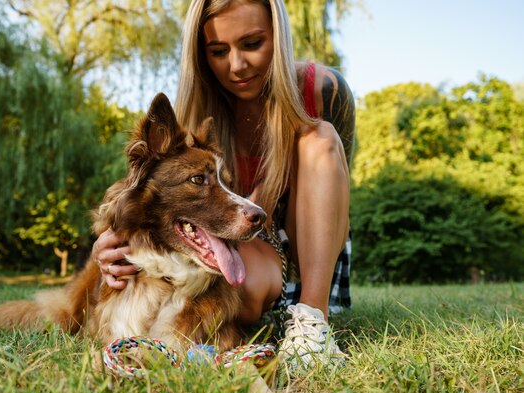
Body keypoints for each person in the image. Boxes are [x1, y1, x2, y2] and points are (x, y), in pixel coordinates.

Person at [92, 0, 355, 370]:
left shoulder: (322, 88)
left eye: (252, 44)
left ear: (278, 38)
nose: (236, 66)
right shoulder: (192, 109)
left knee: (321, 138)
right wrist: (109, 242)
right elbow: (150, 194)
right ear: (201, 55)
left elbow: (337, 191)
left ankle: (312, 325)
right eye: (218, 51)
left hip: (306, 239)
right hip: (238, 242)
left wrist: (265, 196)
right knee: (237, 293)